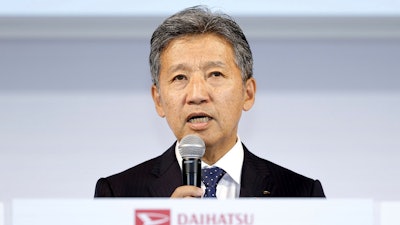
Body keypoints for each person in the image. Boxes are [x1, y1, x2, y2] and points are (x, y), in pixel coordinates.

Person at [94, 5, 325, 198]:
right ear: (158, 100)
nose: (196, 95)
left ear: (248, 93)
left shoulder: (300, 194)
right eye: (180, 77)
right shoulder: (119, 194)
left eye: (215, 74)